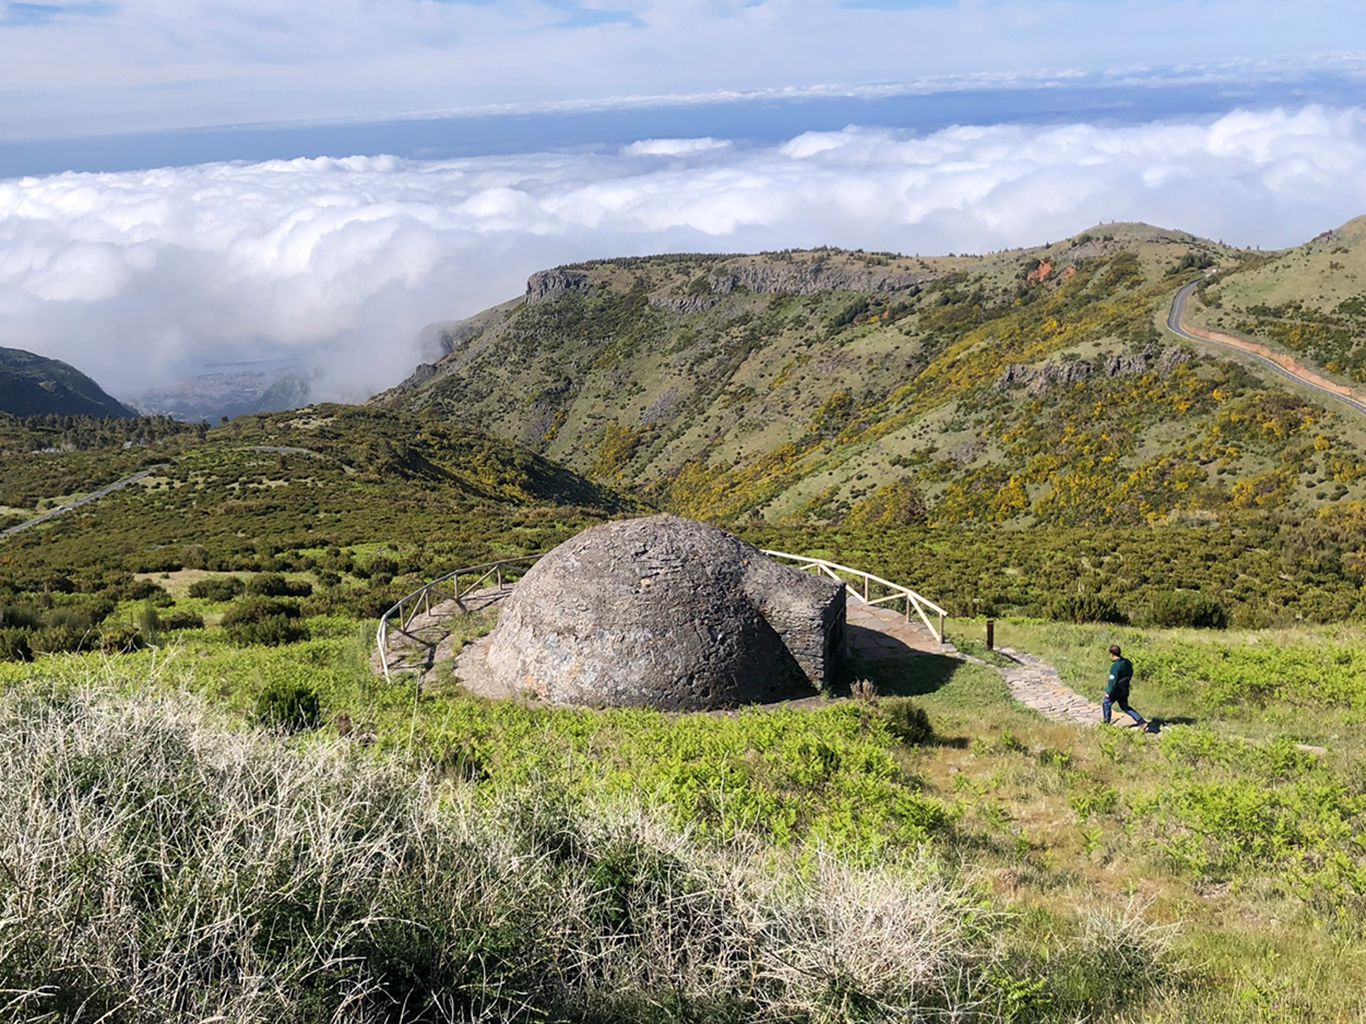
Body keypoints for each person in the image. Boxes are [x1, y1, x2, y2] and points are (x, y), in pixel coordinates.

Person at [1103, 644, 1148, 730]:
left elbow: (1112, 680)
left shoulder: (1115, 666)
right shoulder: (1127, 662)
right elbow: (1130, 673)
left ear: (1112, 654)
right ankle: (1141, 721)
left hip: (1116, 690)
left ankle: (1106, 724)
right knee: (1125, 706)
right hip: (1124, 688)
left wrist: (1108, 692)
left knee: (1106, 703)